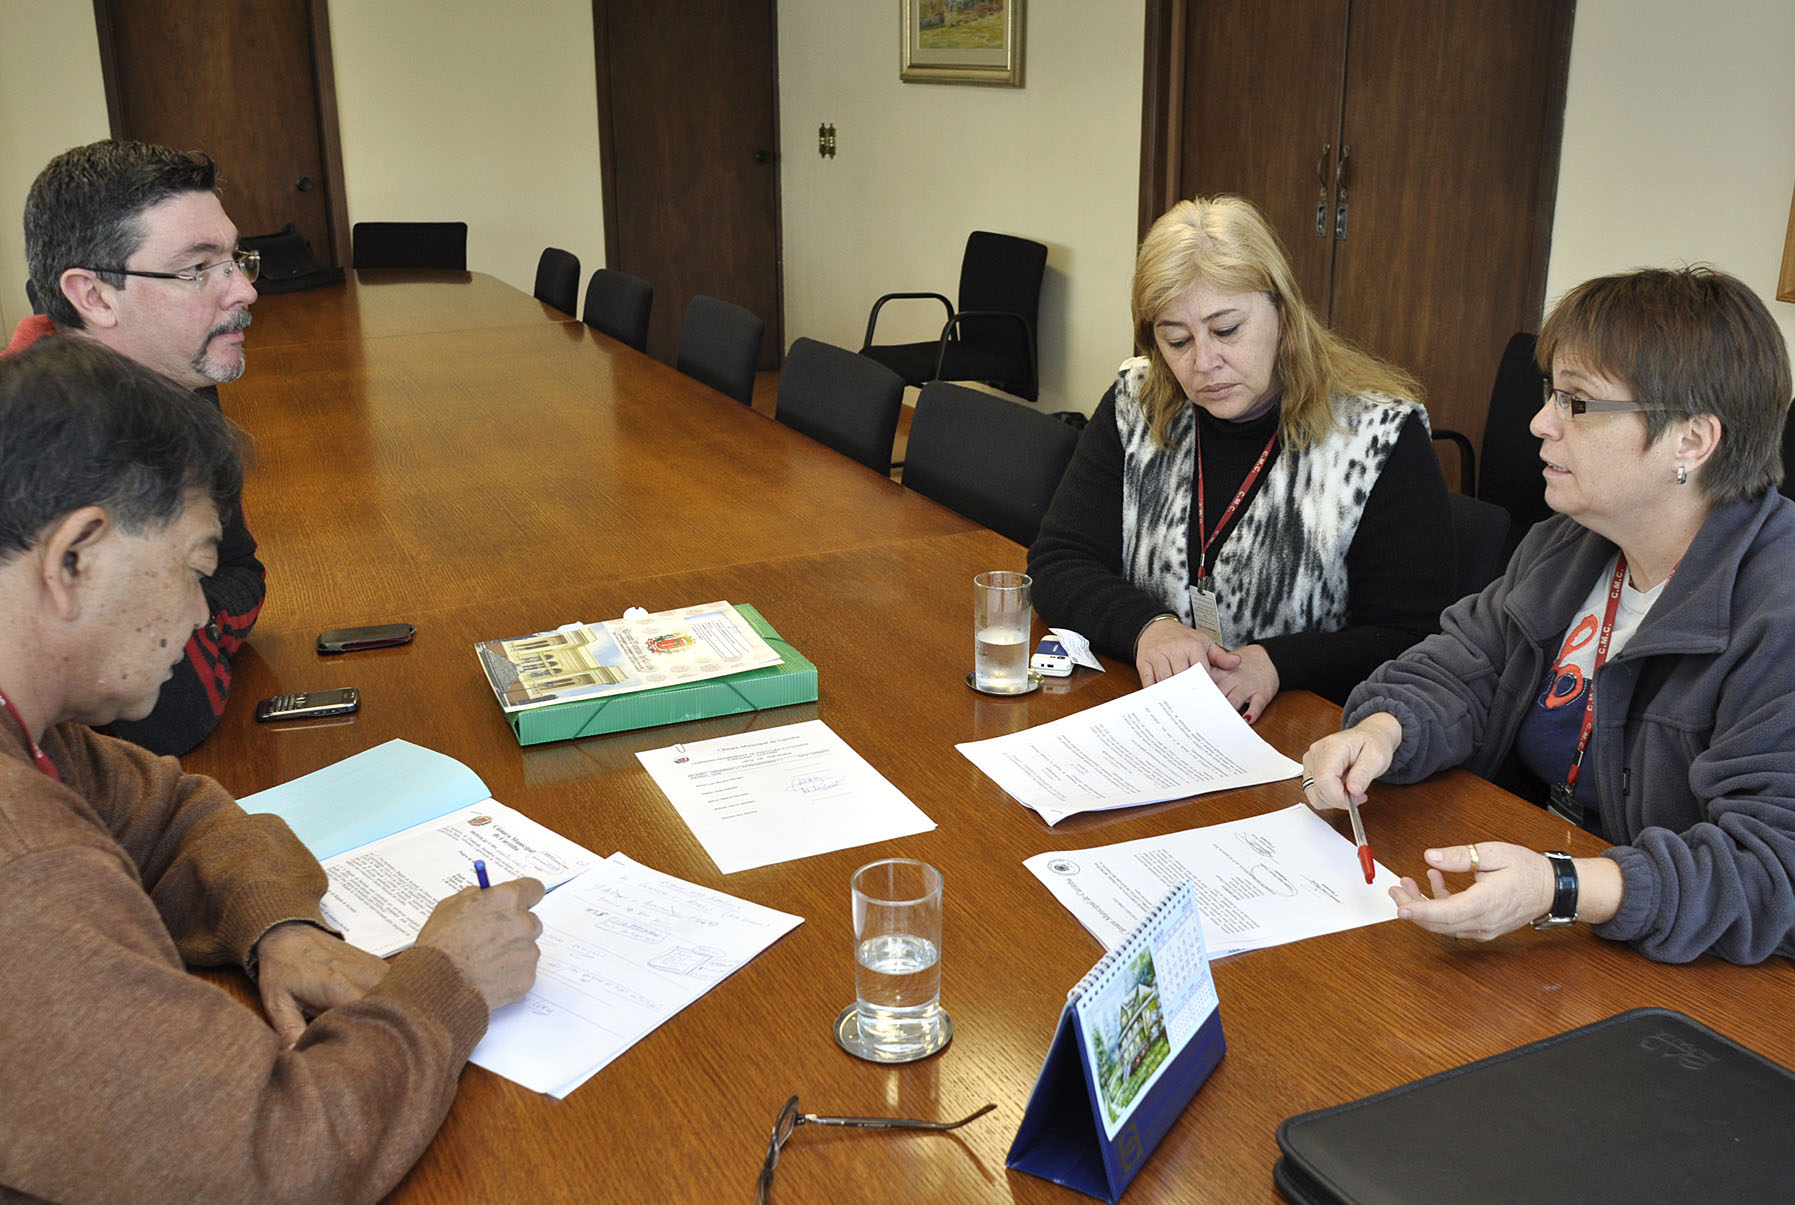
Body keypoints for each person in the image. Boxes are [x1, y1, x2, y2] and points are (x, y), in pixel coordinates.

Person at [0, 338, 545, 1200]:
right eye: (194, 570)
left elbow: (179, 815)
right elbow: (273, 1160)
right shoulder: (24, 873)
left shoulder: (33, 732)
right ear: (75, 559)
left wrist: (277, 928)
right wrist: (451, 982)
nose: (200, 615)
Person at [1302, 266, 1795, 964]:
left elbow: (1772, 870)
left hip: (1696, 979)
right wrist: (1384, 729)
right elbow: (1465, 663)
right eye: (1550, 394)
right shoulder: (1576, 539)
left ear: (1690, 441)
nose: (1539, 422)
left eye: (1577, 403)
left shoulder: (1777, 607)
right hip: (1555, 918)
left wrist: (1562, 886)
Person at [1028, 196, 1454, 721]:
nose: (1204, 362)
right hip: (1162, 718)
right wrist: (1147, 627)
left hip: (1306, 737)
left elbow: (1414, 637)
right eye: (1177, 340)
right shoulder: (1139, 400)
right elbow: (1057, 561)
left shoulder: (1377, 434)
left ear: (1282, 311)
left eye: (1227, 330)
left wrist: (1278, 663)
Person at [8, 139, 264, 756]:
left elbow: (241, 571)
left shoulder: (172, 379)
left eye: (234, 259)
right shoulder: (53, 447)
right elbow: (171, 717)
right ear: (93, 296)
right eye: (197, 269)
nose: (243, 292)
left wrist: (192, 606)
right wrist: (201, 618)